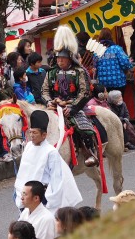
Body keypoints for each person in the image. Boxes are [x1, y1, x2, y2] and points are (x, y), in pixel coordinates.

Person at [41, 26, 98, 167]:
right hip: (55, 105)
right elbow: (44, 90)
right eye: (58, 58)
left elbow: (85, 92)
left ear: (69, 59)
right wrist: (48, 102)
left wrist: (73, 108)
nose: (60, 61)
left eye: (63, 59)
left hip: (73, 105)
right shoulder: (51, 72)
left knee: (82, 126)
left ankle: (89, 152)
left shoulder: (79, 71)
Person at [13, 110, 82, 214]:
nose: (31, 135)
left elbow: (56, 179)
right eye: (30, 132)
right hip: (27, 195)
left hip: (42, 197)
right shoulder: (28, 147)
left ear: (44, 135)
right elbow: (23, 172)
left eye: (35, 133)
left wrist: (50, 202)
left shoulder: (51, 152)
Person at [95, 28, 133, 92]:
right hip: (118, 82)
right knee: (119, 101)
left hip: (104, 85)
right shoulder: (116, 49)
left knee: (108, 102)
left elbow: (95, 67)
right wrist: (129, 63)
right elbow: (125, 64)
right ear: (110, 36)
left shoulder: (97, 51)